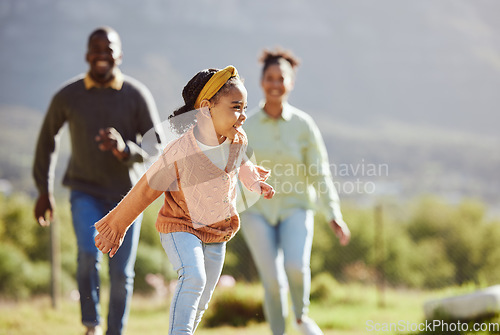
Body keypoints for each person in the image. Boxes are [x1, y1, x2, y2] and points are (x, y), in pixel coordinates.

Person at [94, 65, 275, 335]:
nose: (243, 115)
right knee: (194, 277)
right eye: (236, 107)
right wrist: (117, 225)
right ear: (205, 109)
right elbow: (145, 190)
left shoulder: (237, 138)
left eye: (245, 107)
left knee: (201, 300)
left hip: (217, 230)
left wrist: (253, 181)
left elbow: (241, 161)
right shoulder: (178, 153)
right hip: (180, 226)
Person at [33, 26, 164, 335]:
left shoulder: (135, 94)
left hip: (127, 196)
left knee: (121, 272)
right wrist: (43, 189)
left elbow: (154, 145)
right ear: (87, 55)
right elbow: (46, 139)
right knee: (89, 253)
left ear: (119, 55)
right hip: (84, 191)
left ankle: (115, 332)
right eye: (96, 49)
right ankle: (91, 326)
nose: (102, 55)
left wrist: (124, 149)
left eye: (109, 49)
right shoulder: (69, 95)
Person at [239, 49, 351, 335]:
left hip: (296, 207)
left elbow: (319, 171)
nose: (275, 84)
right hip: (256, 212)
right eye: (270, 78)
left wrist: (333, 213)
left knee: (296, 266)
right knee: (273, 281)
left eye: (281, 78)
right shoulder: (246, 125)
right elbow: (235, 171)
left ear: (291, 83)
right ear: (261, 81)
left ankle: (301, 319)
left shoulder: (304, 126)